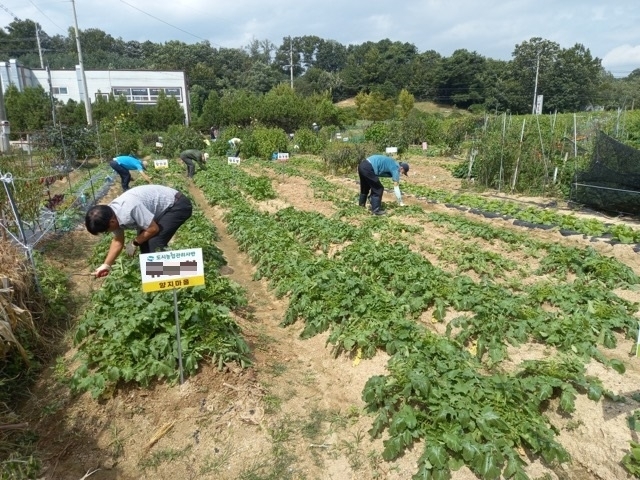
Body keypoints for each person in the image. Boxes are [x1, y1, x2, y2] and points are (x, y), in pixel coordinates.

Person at [85, 185, 193, 278]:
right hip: (160, 210)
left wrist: (134, 243)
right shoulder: (109, 214)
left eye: (106, 230)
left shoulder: (130, 208)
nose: (108, 232)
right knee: (145, 244)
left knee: (154, 243)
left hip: (177, 205)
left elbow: (153, 229)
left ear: (112, 222)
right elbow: (118, 241)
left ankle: (183, 273)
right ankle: (157, 277)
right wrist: (106, 265)